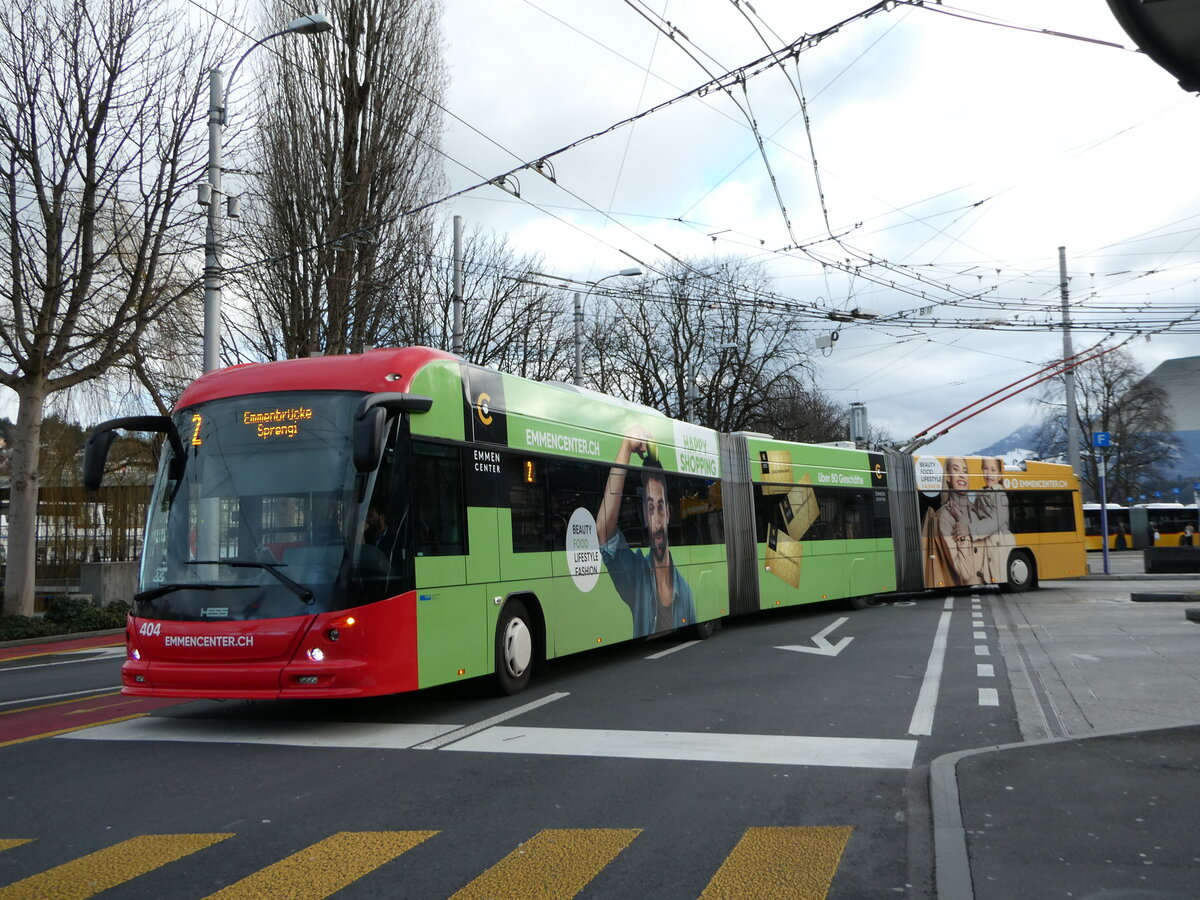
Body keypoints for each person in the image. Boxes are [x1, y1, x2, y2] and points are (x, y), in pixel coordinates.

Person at [596, 426, 697, 637]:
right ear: (644, 514)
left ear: (668, 513)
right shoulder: (636, 576)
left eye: (660, 507)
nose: (658, 523)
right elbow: (603, 533)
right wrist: (625, 447)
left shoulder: (686, 593)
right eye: (650, 508)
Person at [922, 456, 978, 587]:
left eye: (965, 471)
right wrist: (963, 523)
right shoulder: (945, 517)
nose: (962, 475)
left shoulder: (975, 510)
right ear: (947, 477)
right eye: (956, 470)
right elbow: (964, 572)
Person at [971, 456, 1013, 583]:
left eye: (993, 470)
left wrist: (970, 529)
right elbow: (975, 513)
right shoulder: (982, 493)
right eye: (985, 468)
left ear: (1000, 476)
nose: (988, 473)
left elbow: (997, 520)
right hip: (989, 540)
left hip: (1001, 541)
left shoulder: (999, 494)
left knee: (998, 570)